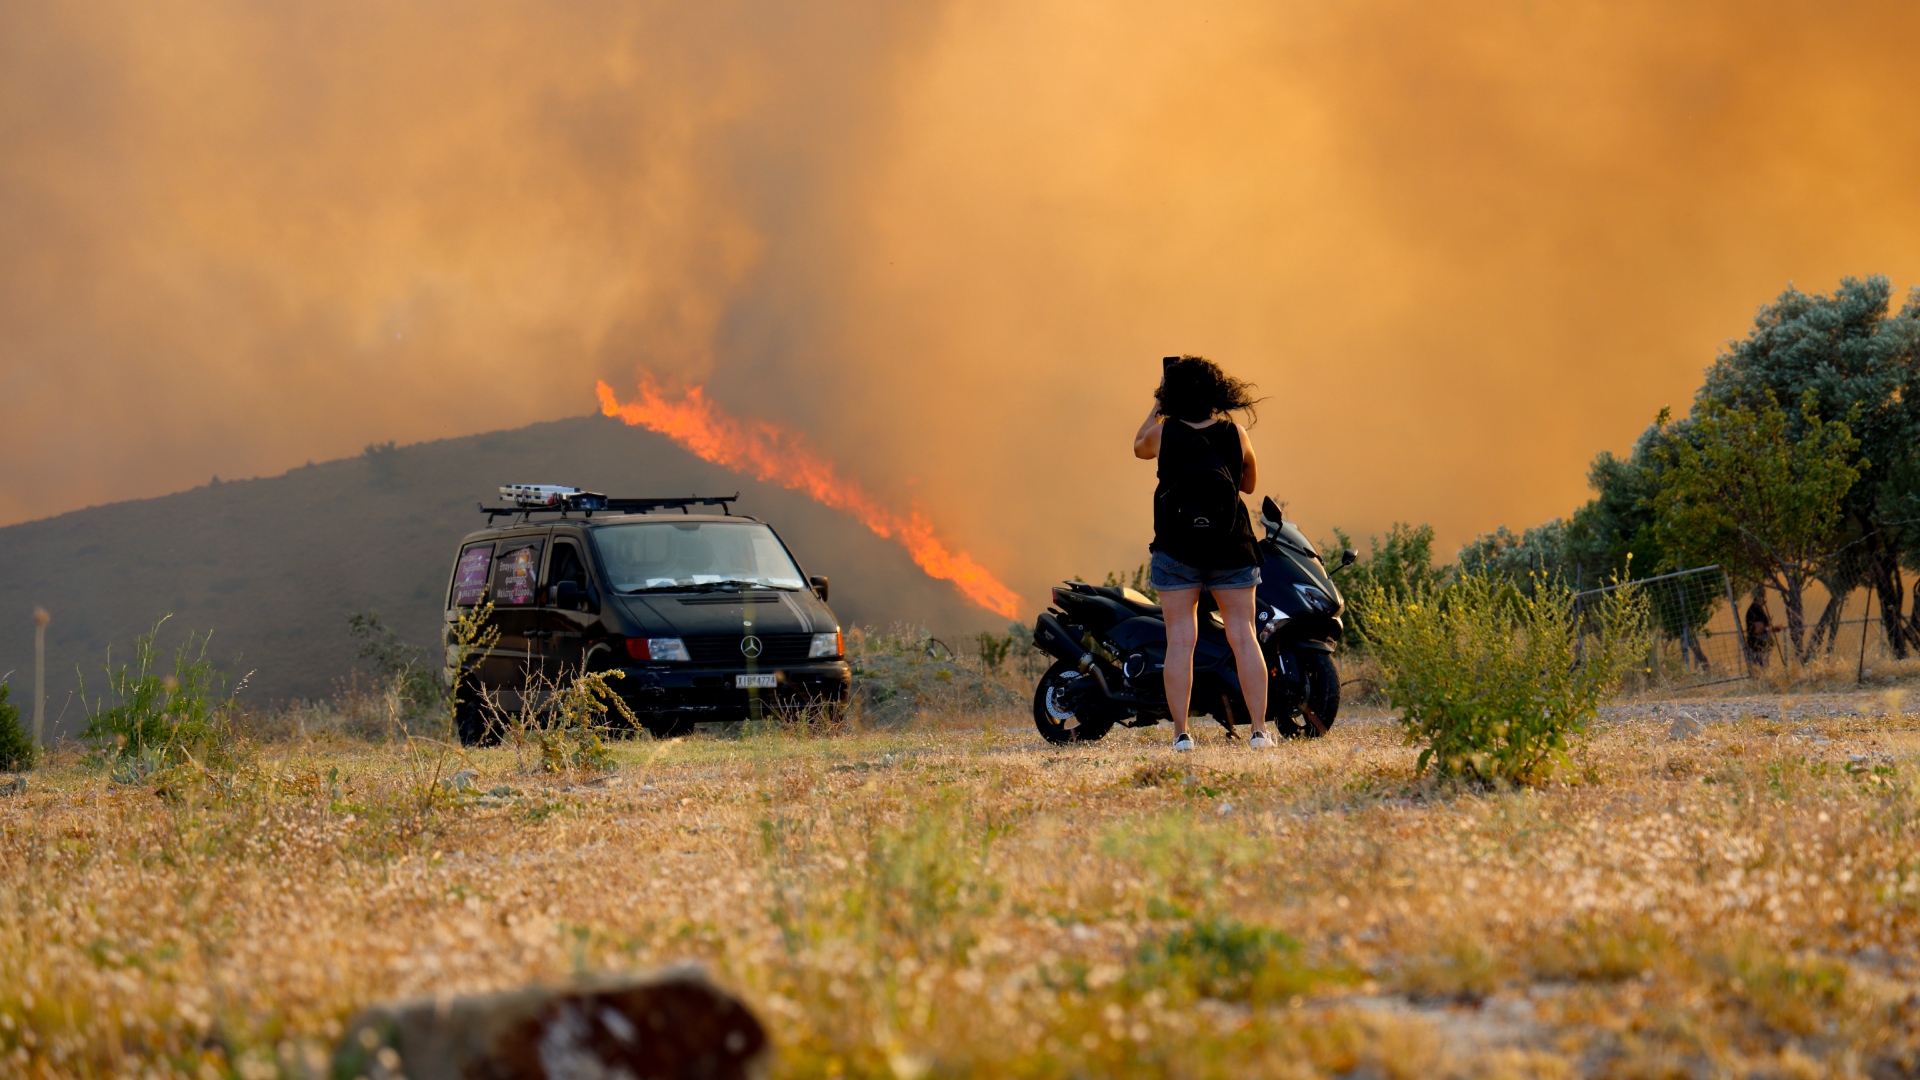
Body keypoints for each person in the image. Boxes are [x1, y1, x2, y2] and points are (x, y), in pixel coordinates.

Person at [1133, 355, 1270, 752]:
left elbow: (1138, 448)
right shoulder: (1236, 434)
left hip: (1177, 548)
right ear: (1217, 393)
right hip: (1232, 546)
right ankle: (1259, 731)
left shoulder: (1164, 433)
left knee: (1180, 640)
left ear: (1171, 394)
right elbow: (1248, 485)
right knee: (1243, 637)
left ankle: (1181, 734)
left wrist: (1159, 406)